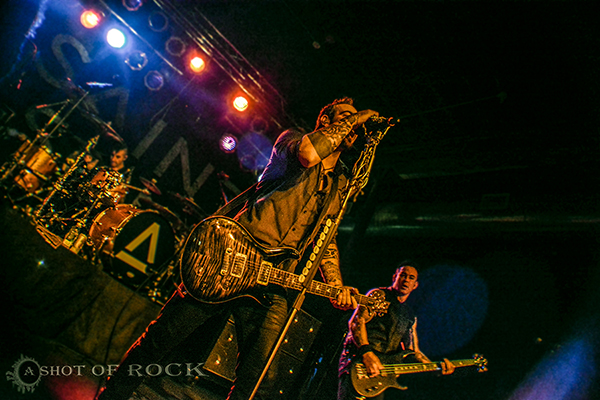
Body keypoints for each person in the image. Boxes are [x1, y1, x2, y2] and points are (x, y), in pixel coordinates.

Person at [97, 97, 379, 400]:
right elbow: (309, 156)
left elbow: (326, 236)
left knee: (259, 381)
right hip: (231, 258)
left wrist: (335, 285)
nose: (354, 126)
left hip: (274, 280)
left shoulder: (341, 182)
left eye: (355, 121)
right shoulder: (293, 141)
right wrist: (358, 116)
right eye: (346, 117)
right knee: (161, 340)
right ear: (326, 121)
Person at [338, 261, 456, 400]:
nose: (406, 280)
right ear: (395, 277)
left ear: (415, 285)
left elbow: (413, 352)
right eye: (403, 275)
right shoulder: (378, 295)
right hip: (357, 365)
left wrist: (436, 368)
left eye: (411, 278)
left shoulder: (409, 315)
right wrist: (366, 353)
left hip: (379, 375)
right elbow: (356, 322)